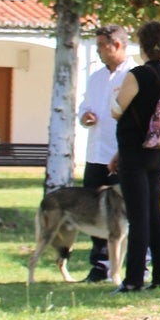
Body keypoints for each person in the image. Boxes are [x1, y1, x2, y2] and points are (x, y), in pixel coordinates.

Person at [111, 20, 160, 293]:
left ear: (141, 44)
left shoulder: (137, 74)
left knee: (137, 217)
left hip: (134, 152)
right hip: (157, 151)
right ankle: (159, 276)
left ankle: (134, 279)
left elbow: (118, 109)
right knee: (154, 214)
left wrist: (116, 97)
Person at [69, 23, 130, 282]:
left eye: (101, 47)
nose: (98, 53)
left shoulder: (132, 75)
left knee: (125, 214)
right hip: (95, 155)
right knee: (94, 211)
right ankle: (99, 265)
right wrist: (86, 117)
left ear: (116, 45)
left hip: (121, 156)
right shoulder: (95, 77)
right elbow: (85, 108)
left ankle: (134, 264)